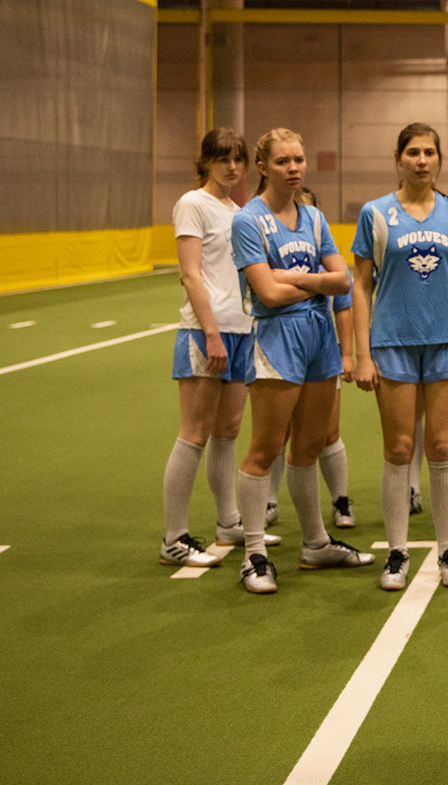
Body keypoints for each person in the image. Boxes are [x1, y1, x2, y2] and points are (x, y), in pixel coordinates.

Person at [231, 128, 375, 594]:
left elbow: (343, 284)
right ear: (263, 167)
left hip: (320, 339)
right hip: (277, 339)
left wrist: (292, 276)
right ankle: (254, 553)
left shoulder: (313, 218)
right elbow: (268, 295)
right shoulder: (249, 221)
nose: (293, 168)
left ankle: (314, 542)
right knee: (265, 447)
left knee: (309, 446)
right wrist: (315, 279)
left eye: (299, 159)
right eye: (283, 161)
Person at [352, 122, 448, 591]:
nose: (422, 160)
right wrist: (362, 353)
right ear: (399, 158)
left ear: (440, 160)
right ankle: (396, 553)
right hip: (392, 343)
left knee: (443, 447)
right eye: (413, 152)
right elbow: (361, 286)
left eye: (430, 152)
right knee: (399, 449)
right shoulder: (375, 214)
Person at [159, 127, 280, 569]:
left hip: (242, 330)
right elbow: (191, 274)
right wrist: (210, 332)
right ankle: (173, 537)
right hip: (204, 331)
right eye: (222, 158)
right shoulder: (193, 204)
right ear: (206, 161)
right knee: (194, 432)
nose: (231, 167)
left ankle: (229, 520)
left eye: (238, 159)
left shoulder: (239, 210)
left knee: (228, 431)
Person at [299, 187, 357, 530]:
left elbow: (344, 305)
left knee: (328, 432)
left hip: (323, 351)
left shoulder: (327, 251)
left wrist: (346, 353)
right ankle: (271, 503)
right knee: (281, 437)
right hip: (283, 349)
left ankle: (340, 500)